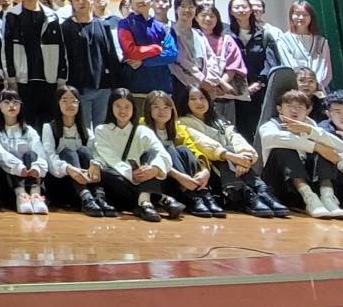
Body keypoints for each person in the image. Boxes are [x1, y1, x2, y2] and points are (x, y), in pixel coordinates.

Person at [180, 84, 285, 218]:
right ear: (186, 102)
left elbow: (236, 138)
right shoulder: (183, 122)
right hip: (210, 169)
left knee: (232, 148)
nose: (199, 102)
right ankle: (240, 193)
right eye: (193, 99)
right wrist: (232, 157)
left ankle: (261, 191)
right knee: (226, 150)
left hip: (232, 165)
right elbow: (202, 143)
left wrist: (245, 157)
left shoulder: (219, 121)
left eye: (202, 98)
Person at [257, 89, 343, 219]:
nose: (294, 111)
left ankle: (328, 197)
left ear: (308, 110)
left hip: (310, 183)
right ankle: (309, 197)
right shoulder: (270, 126)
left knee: (324, 149)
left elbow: (340, 146)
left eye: (300, 107)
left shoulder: (311, 126)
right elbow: (271, 139)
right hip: (280, 184)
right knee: (284, 150)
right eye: (289, 106)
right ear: (279, 109)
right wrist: (315, 146)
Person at [90, 88, 179, 222]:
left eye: (127, 106)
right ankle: (158, 198)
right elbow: (111, 159)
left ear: (133, 108)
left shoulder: (143, 130)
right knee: (106, 172)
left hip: (142, 178)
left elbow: (163, 155)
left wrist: (154, 170)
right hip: (120, 181)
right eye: (118, 106)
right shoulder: (102, 130)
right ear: (111, 107)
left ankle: (144, 203)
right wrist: (133, 175)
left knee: (151, 154)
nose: (123, 111)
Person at [0, 0, 64, 127]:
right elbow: (6, 50)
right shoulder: (12, 16)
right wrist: (11, 78)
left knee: (48, 124)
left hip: (48, 79)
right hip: (22, 80)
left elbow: (62, 50)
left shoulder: (52, 16)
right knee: (25, 123)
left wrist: (61, 79)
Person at [144, 90, 220, 217]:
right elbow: (150, 159)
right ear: (149, 109)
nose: (162, 111)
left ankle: (202, 194)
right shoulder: (143, 128)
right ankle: (192, 196)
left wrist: (204, 171)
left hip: (185, 180)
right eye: (156, 107)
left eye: (166, 107)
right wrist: (180, 177)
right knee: (169, 149)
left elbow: (193, 150)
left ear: (172, 109)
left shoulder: (177, 128)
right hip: (163, 178)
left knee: (183, 149)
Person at [41, 86, 111, 216]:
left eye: (73, 100)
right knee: (68, 153)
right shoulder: (49, 128)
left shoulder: (85, 130)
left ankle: (99, 196)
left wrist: (95, 164)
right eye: (65, 100)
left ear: (79, 104)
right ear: (58, 103)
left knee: (85, 151)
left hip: (85, 182)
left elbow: (97, 153)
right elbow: (49, 158)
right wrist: (69, 169)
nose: (70, 104)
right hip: (61, 184)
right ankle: (86, 197)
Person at [56, 0, 118, 130]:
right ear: (72, 2)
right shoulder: (65, 27)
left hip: (103, 86)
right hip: (78, 88)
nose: (81, 2)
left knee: (102, 129)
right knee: (83, 130)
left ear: (91, 0)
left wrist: (116, 84)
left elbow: (111, 56)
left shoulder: (103, 25)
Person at [181, 3, 247, 124]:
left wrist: (220, 85)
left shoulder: (226, 39)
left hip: (224, 94)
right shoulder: (190, 38)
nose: (208, 19)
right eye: (203, 15)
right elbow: (187, 63)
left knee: (226, 125)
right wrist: (211, 84)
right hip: (197, 91)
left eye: (212, 16)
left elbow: (233, 65)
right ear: (196, 18)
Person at [0, 89, 50, 215]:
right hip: (5, 180)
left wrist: (36, 168)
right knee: (13, 155)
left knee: (31, 155)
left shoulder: (29, 130)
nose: (12, 106)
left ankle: (35, 195)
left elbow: (40, 153)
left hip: (29, 178)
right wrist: (18, 166)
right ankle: (21, 195)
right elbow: (0, 154)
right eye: (7, 102)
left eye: (15, 102)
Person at [226, 0, 278, 139]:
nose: (241, 10)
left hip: (260, 91)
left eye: (244, 7)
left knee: (262, 129)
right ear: (231, 11)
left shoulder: (264, 35)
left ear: (250, 10)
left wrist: (259, 83)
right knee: (239, 131)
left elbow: (271, 63)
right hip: (234, 92)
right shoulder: (227, 35)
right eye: (237, 7)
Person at [117, 0, 177, 95]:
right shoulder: (125, 24)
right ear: (130, 3)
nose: (141, 0)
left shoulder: (164, 28)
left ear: (151, 0)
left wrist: (143, 61)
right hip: (136, 88)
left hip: (162, 88)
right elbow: (130, 52)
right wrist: (157, 48)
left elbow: (171, 54)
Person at [268, 0, 331, 101]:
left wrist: (315, 85)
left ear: (311, 17)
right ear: (291, 16)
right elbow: (289, 64)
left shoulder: (321, 41)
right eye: (297, 14)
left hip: (318, 90)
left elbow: (325, 67)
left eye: (305, 14)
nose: (301, 18)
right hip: (296, 91)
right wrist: (301, 84)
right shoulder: (283, 40)